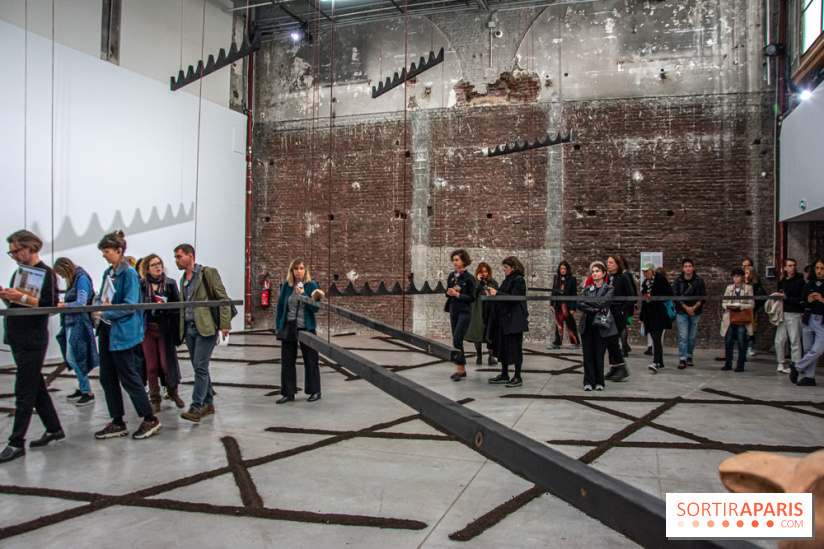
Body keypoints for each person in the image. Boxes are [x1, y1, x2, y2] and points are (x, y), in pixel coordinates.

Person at [0, 231, 64, 463]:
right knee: (35, 386)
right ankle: (54, 428)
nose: (15, 256)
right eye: (12, 252)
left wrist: (20, 297)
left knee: (24, 392)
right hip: (17, 336)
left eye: (17, 251)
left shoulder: (47, 274)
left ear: (30, 247)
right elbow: (17, 303)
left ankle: (16, 442)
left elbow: (49, 305)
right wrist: (7, 296)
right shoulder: (20, 273)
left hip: (33, 340)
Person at [92, 231, 161, 440]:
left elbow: (130, 305)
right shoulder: (108, 273)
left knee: (129, 378)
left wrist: (105, 311)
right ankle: (117, 421)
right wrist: (98, 308)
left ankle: (150, 418)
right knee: (107, 378)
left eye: (107, 251)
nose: (104, 255)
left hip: (123, 335)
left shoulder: (129, 274)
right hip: (106, 331)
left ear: (119, 251)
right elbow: (101, 297)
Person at [175, 243, 232, 421]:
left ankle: (196, 406)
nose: (176, 260)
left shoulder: (208, 273)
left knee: (200, 366)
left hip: (206, 328)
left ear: (190, 257)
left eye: (179, 256)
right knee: (199, 367)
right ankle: (208, 403)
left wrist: (225, 325)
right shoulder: (183, 279)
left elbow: (223, 299)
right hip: (190, 329)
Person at [274, 258, 324, 403]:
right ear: (292, 271)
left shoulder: (310, 285)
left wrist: (303, 295)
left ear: (305, 270)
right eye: (296, 269)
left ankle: (315, 391)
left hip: (306, 327)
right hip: (289, 326)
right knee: (287, 360)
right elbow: (280, 307)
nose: (299, 271)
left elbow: (315, 307)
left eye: (301, 268)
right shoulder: (287, 286)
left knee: (311, 359)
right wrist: (279, 326)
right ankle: (288, 393)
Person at [140, 254, 184, 412]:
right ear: (147, 269)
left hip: (165, 329)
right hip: (148, 330)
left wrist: (164, 306)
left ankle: (173, 392)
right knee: (151, 366)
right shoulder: (142, 285)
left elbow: (178, 306)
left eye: (159, 263)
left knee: (167, 364)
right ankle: (154, 399)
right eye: (153, 265)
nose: (158, 267)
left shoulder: (170, 284)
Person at [54, 258, 99, 406]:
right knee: (73, 357)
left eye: (62, 274)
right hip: (71, 322)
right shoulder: (75, 278)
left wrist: (64, 304)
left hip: (78, 322)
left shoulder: (81, 278)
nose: (62, 277)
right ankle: (83, 388)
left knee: (74, 358)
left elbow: (81, 302)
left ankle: (87, 392)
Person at [486, 256, 528, 388]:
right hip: (504, 319)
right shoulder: (508, 280)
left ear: (513, 268)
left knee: (515, 348)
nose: (504, 270)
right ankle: (504, 373)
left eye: (506, 268)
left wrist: (497, 293)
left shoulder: (519, 280)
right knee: (503, 346)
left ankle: (517, 375)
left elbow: (514, 298)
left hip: (514, 320)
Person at [577, 262, 617, 391]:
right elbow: (579, 303)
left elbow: (604, 302)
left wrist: (590, 302)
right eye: (593, 271)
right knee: (587, 354)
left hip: (601, 325)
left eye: (597, 271)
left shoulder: (609, 289)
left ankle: (599, 381)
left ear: (604, 273)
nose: (594, 273)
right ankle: (588, 381)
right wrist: (594, 309)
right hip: (588, 323)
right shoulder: (588, 289)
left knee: (599, 354)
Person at [444, 249, 476, 382]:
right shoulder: (452, 276)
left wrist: (458, 294)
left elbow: (472, 297)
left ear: (464, 261)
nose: (455, 262)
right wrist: (450, 292)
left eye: (457, 260)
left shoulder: (469, 278)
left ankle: (459, 367)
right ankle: (461, 368)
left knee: (457, 338)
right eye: (454, 260)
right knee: (456, 340)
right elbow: (447, 292)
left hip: (464, 312)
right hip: (454, 310)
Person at [792, 259, 824, 387]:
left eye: (822, 269)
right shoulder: (809, 285)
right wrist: (808, 301)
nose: (819, 271)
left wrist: (822, 300)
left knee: (818, 349)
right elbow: (801, 303)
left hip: (821, 320)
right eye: (817, 268)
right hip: (808, 318)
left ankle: (797, 367)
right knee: (808, 349)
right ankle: (809, 377)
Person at [772, 258, 805, 374]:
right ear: (785, 268)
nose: (792, 268)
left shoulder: (800, 282)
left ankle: (796, 364)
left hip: (794, 313)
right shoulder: (782, 282)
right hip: (782, 312)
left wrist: (785, 297)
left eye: (793, 265)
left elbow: (800, 300)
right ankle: (780, 362)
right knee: (779, 339)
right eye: (790, 266)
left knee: (795, 339)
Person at [672, 258, 706, 369]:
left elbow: (703, 296)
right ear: (683, 268)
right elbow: (676, 297)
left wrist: (694, 307)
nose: (688, 268)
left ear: (693, 267)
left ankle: (689, 356)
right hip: (682, 312)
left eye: (690, 266)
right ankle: (682, 358)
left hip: (695, 312)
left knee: (691, 337)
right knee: (683, 336)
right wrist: (686, 308)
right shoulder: (678, 281)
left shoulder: (699, 281)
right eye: (686, 266)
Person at [720, 267, 754, 372]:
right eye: (734, 276)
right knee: (728, 340)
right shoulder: (729, 288)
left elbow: (751, 304)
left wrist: (740, 306)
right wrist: (728, 306)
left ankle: (740, 363)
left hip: (742, 317)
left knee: (741, 341)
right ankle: (728, 362)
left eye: (738, 276)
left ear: (742, 277)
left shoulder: (748, 288)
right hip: (730, 316)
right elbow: (724, 302)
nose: (736, 278)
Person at [641, 263, 673, 373]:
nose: (645, 274)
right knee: (655, 337)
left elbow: (668, 293)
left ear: (652, 270)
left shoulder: (660, 280)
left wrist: (654, 299)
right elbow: (643, 299)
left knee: (656, 336)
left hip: (659, 313)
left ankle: (656, 361)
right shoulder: (646, 283)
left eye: (646, 271)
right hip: (650, 314)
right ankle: (660, 361)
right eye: (643, 272)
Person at [604, 255, 632, 382]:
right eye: (607, 262)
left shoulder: (624, 277)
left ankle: (621, 367)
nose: (608, 264)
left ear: (617, 264)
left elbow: (631, 296)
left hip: (619, 311)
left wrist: (622, 310)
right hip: (610, 312)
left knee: (613, 339)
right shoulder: (609, 278)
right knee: (610, 340)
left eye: (611, 262)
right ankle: (614, 366)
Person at [464, 261, 497, 366]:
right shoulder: (474, 282)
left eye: (486, 271)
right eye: (482, 272)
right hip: (478, 310)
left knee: (491, 333)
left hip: (490, 310)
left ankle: (491, 356)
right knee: (478, 333)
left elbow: (498, 294)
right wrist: (478, 282)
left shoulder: (493, 283)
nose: (484, 274)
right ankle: (479, 355)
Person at [548, 261, 579, 351]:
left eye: (564, 269)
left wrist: (573, 307)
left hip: (567, 305)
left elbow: (574, 294)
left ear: (567, 269)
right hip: (558, 304)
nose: (563, 270)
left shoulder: (572, 279)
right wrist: (551, 304)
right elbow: (553, 291)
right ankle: (557, 342)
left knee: (570, 324)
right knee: (558, 324)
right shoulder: (557, 278)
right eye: (561, 269)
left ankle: (575, 342)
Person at [615, 253, 637, 357]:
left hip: (625, 305)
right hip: (620, 305)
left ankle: (624, 347)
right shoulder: (616, 276)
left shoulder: (625, 275)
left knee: (623, 325)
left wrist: (627, 305)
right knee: (620, 326)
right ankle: (625, 345)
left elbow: (632, 292)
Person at [744, 265, 766, 356]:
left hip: (751, 309)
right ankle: (744, 346)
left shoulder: (756, 284)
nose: (747, 275)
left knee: (751, 329)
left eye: (749, 273)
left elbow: (760, 296)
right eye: (746, 273)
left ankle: (750, 346)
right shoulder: (741, 283)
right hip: (742, 308)